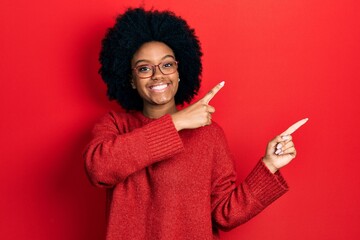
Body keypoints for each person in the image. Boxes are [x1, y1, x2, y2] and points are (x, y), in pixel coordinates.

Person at [84, 7, 307, 240]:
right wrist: (177, 122)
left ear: (180, 72)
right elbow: (99, 169)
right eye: (144, 68)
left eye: (167, 65)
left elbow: (225, 214)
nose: (158, 75)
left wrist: (269, 165)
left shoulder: (209, 135)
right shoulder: (115, 125)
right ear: (131, 79)